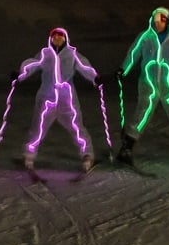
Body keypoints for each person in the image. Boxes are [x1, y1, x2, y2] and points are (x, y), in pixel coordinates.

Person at [116, 7, 169, 174]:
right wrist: (123, 69)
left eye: (161, 21)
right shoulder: (145, 37)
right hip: (148, 84)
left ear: (167, 21)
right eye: (155, 21)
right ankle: (127, 148)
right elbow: (133, 53)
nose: (158, 24)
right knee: (142, 114)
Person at [10, 27, 101, 172]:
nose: (58, 40)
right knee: (38, 128)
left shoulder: (72, 54)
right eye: (55, 38)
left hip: (67, 100)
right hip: (47, 98)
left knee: (77, 127)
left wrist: (95, 78)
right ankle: (29, 155)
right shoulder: (45, 53)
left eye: (61, 38)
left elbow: (85, 66)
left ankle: (87, 155)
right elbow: (31, 64)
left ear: (65, 39)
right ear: (51, 39)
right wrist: (19, 74)